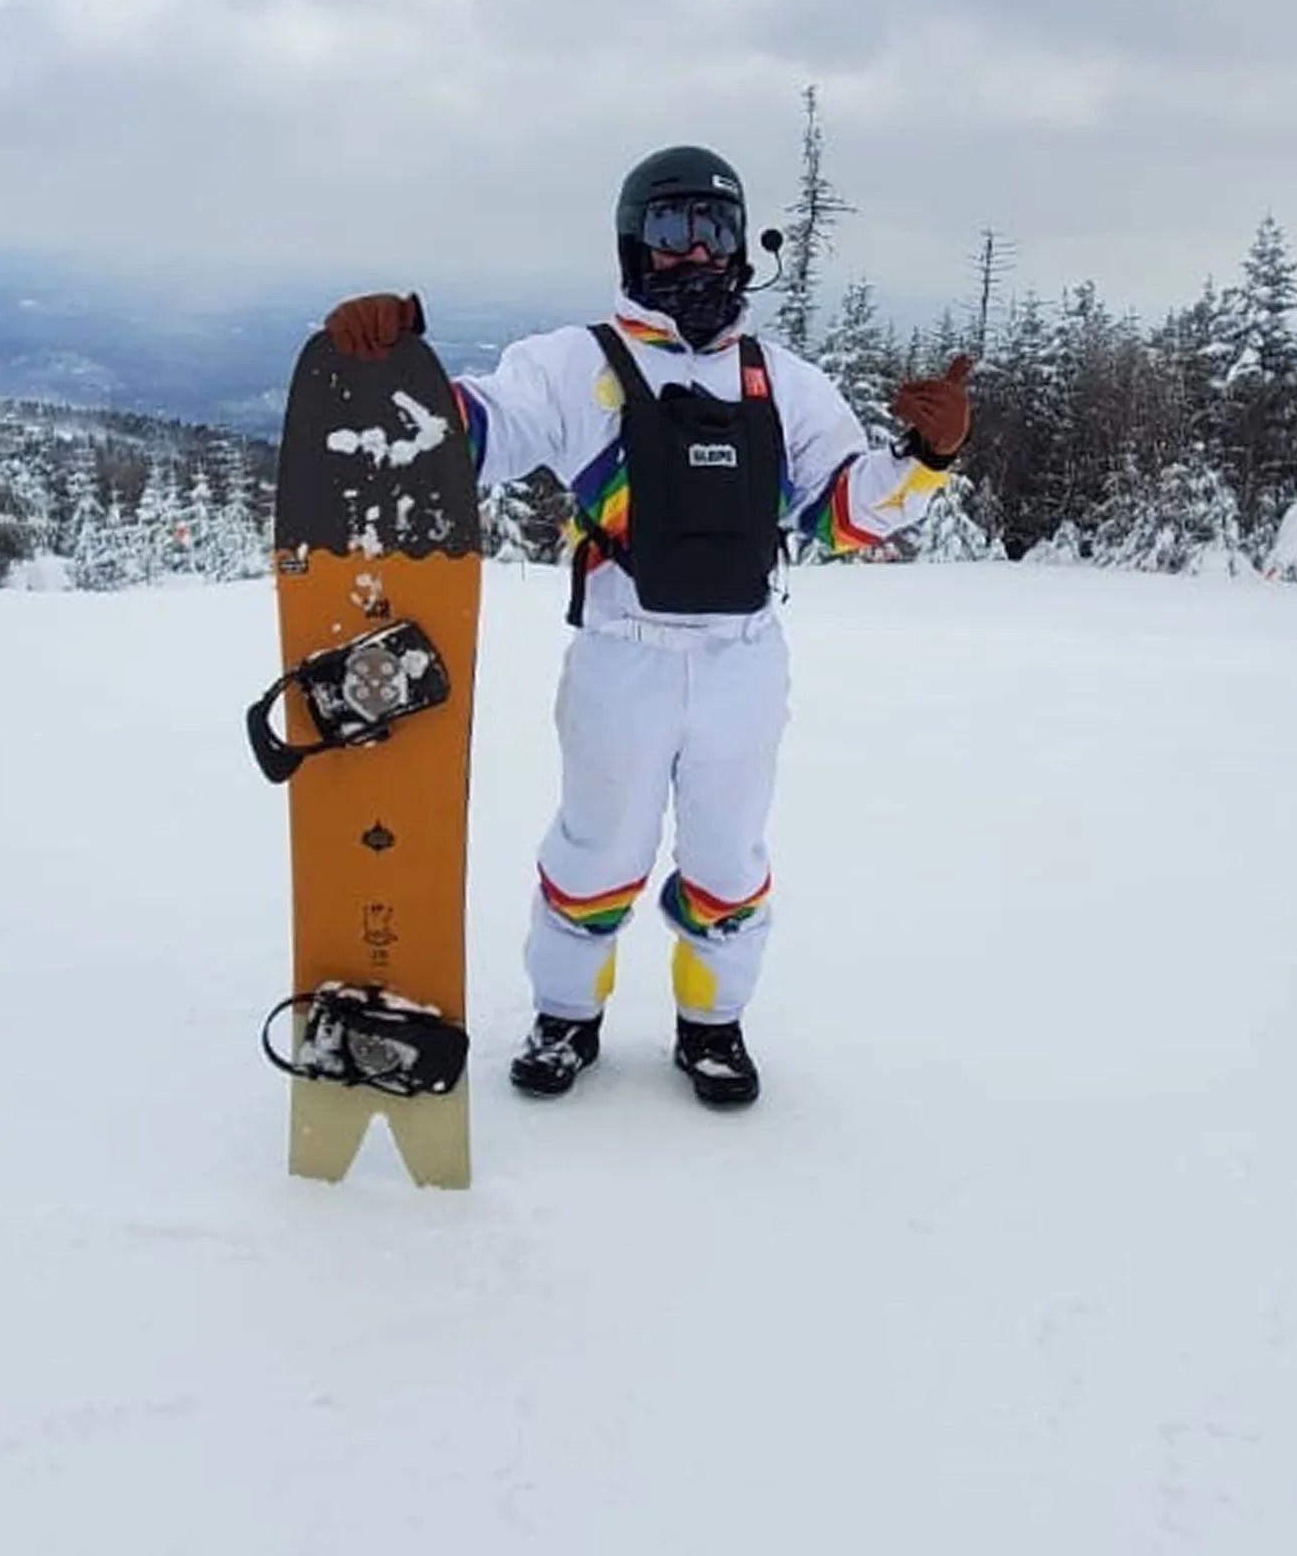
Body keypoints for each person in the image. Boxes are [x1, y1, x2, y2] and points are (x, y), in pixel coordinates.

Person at [322, 143, 973, 1108]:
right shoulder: (578, 365)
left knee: (728, 859)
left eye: (715, 230)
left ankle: (713, 1027)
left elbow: (841, 510)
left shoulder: (779, 382)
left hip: (742, 662)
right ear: (635, 244)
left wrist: (926, 456)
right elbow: (480, 436)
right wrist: (388, 380)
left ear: (744, 245)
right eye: (672, 230)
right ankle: (565, 1018)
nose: (696, 254)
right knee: (599, 851)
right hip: (621, 656)